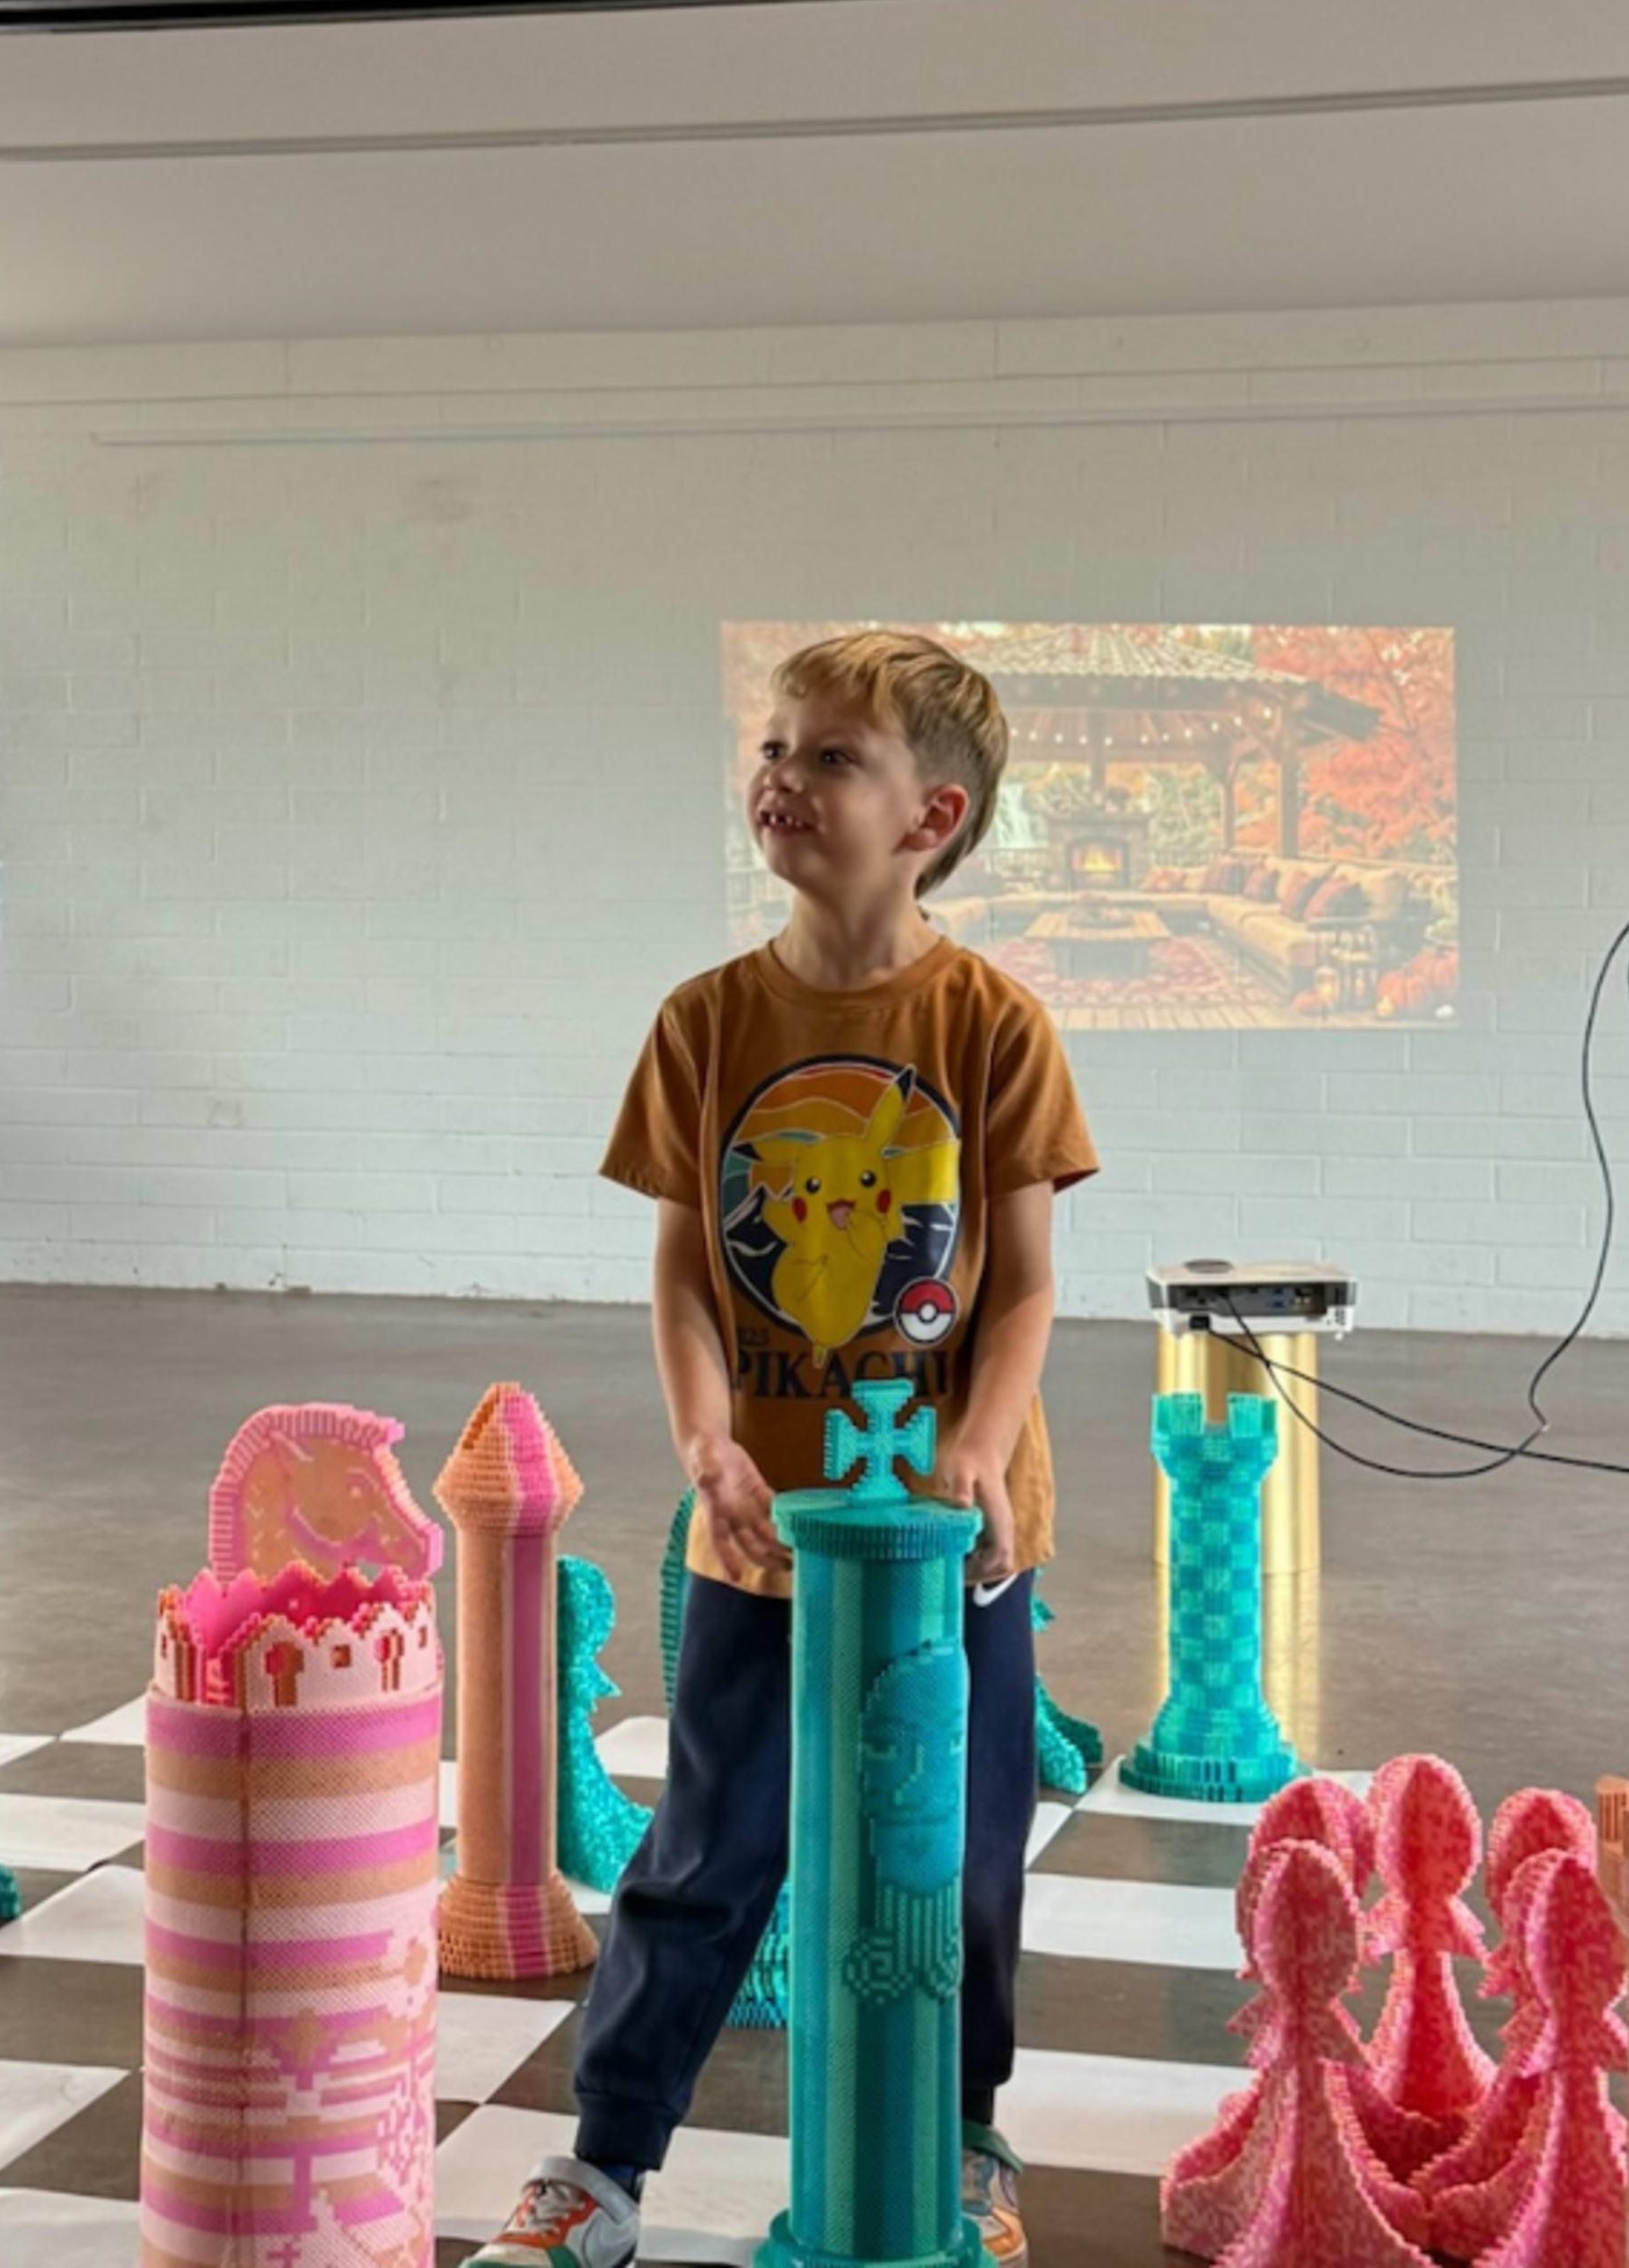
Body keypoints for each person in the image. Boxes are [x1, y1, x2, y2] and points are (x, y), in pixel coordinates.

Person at [469, 631, 1099, 2268]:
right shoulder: (705, 1023)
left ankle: (962, 2143)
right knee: (708, 1847)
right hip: (765, 1531)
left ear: (931, 815)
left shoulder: (993, 1025)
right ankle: (605, 2169)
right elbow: (684, 1269)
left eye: (833, 757)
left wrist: (975, 1452)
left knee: (955, 1857)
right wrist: (702, 1441)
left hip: (956, 1538)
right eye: (774, 747)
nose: (784, 779)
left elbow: (1025, 1290)